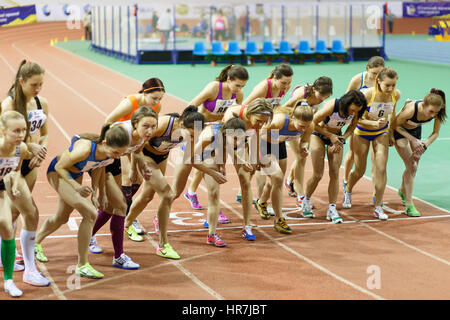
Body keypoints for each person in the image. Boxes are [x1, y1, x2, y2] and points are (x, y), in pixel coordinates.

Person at [34, 125, 130, 279]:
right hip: (58, 172)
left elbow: (100, 168)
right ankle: (82, 265)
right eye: (116, 152)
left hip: (75, 173)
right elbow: (60, 167)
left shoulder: (109, 154)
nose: (118, 157)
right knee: (90, 213)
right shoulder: (85, 149)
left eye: (121, 154)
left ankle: (35, 243)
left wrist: (99, 194)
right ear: (104, 143)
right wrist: (76, 187)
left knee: (62, 217)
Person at [124, 106, 209, 259]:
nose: (192, 138)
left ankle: (126, 224)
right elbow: (136, 146)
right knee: (167, 194)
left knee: (147, 196)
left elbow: (190, 158)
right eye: (190, 135)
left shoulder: (191, 132)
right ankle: (163, 245)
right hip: (144, 154)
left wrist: (212, 171)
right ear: (182, 125)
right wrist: (133, 169)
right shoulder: (163, 124)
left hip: (161, 157)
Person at [87, 107, 158, 269]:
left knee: (112, 207)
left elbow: (137, 150)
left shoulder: (142, 135)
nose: (150, 131)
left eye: (153, 127)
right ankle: (118, 256)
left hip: (114, 161)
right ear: (134, 124)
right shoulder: (121, 134)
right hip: (100, 163)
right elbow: (101, 161)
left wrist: (140, 167)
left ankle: (88, 235)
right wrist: (99, 191)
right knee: (120, 205)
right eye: (146, 126)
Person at [1, 60, 51, 286]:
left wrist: (41, 151)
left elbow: (46, 133)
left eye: (41, 84)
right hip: (12, 165)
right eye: (34, 85)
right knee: (30, 213)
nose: (38, 89)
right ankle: (30, 270)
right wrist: (32, 149)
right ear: (21, 81)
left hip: (30, 165)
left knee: (13, 214)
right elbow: (8, 141)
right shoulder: (9, 104)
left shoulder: (41, 102)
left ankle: (6, 254)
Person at [184, 65, 248, 224]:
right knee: (206, 166)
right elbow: (191, 106)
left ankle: (193, 193)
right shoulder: (214, 88)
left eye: (242, 86)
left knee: (213, 167)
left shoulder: (238, 94)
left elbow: (235, 115)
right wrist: (194, 128)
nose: (239, 89)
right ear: (228, 79)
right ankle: (211, 207)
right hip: (203, 129)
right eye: (237, 85)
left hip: (219, 131)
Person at [173, 117, 247, 246]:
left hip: (207, 155)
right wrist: (212, 172)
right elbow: (192, 159)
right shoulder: (208, 136)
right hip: (188, 154)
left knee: (214, 193)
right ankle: (158, 216)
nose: (236, 143)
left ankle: (211, 234)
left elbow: (224, 147)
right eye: (235, 139)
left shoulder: (227, 136)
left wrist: (222, 165)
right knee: (175, 192)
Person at [106, 78, 165, 238]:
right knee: (126, 178)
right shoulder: (130, 102)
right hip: (121, 140)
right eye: (154, 98)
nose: (157, 102)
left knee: (138, 179)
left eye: (160, 98)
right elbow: (108, 121)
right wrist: (109, 145)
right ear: (144, 93)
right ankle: (126, 221)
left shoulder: (156, 106)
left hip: (137, 143)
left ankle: (124, 210)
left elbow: (149, 128)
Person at [343, 68, 401, 220]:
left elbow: (392, 115)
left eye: (393, 85)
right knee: (360, 170)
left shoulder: (396, 95)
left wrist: (391, 133)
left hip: (381, 134)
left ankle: (378, 206)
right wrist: (373, 123)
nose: (390, 89)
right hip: (362, 133)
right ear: (378, 82)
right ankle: (348, 190)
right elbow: (356, 119)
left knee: (381, 168)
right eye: (387, 85)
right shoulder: (367, 94)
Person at [302, 90, 367, 222]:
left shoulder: (356, 112)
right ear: (346, 104)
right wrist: (330, 136)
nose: (354, 113)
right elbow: (313, 123)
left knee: (335, 173)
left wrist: (343, 137)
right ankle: (306, 201)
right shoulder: (333, 106)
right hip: (319, 135)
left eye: (357, 111)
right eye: (352, 110)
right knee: (318, 174)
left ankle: (332, 208)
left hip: (336, 138)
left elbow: (353, 125)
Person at [0, 111, 45, 297]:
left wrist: (14, 188)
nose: (20, 134)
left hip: (1, 190)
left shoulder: (21, 148)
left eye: (23, 130)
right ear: (3, 130)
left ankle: (9, 281)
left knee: (6, 225)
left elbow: (16, 171)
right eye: (15, 131)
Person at [236, 64, 293, 205]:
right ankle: (259, 200)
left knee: (256, 165)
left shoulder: (283, 89)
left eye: (289, 83)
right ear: (275, 77)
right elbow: (246, 106)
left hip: (267, 128)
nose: (286, 86)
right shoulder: (264, 87)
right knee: (256, 164)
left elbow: (275, 107)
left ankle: (241, 194)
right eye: (283, 83)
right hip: (254, 126)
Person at [255, 103, 314, 234]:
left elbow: (305, 139)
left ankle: (261, 202)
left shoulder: (309, 126)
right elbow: (258, 134)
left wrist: (304, 147)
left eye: (307, 126)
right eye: (301, 126)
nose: (304, 129)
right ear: (293, 118)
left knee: (276, 182)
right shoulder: (279, 121)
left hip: (279, 144)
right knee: (278, 179)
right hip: (264, 144)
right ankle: (278, 219)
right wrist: (256, 156)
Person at [282, 76, 333, 208]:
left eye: (325, 97)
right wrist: (293, 124)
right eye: (321, 95)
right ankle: (300, 196)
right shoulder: (301, 94)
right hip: (291, 124)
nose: (322, 99)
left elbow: (313, 115)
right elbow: (284, 109)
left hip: (305, 125)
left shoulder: (321, 96)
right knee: (300, 158)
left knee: (302, 156)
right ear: (314, 89)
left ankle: (289, 181)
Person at [393, 89, 446, 217]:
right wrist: (412, 140)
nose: (433, 115)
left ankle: (402, 190)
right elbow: (395, 125)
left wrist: (424, 145)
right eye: (431, 112)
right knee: (412, 166)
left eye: (436, 112)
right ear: (423, 105)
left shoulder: (436, 113)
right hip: (400, 131)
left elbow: (435, 133)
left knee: (413, 166)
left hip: (415, 131)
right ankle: (409, 205)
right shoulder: (411, 110)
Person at [343, 56, 385, 202]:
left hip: (376, 126)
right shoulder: (358, 80)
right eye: (374, 73)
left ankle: (376, 193)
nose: (376, 77)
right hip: (358, 122)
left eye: (379, 74)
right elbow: (346, 99)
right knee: (352, 154)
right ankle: (345, 180)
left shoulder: (384, 82)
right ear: (367, 69)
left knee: (376, 161)